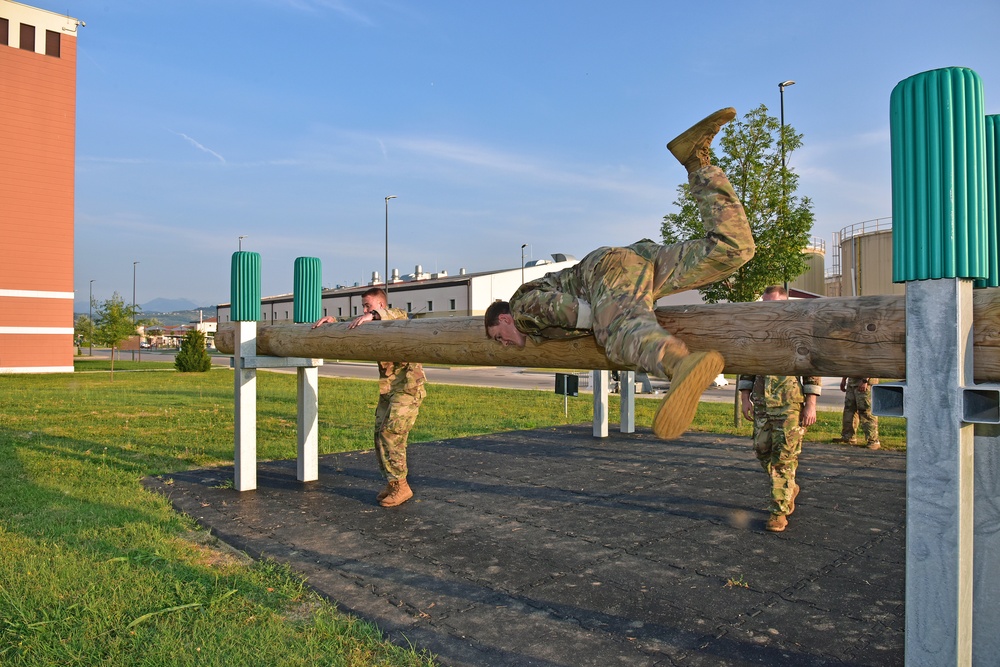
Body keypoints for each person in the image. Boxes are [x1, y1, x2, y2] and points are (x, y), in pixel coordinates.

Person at [484, 107, 756, 440]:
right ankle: (697, 159)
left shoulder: (520, 308)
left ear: (506, 319)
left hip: (603, 271)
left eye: (499, 336)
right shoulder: (532, 327)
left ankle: (680, 365)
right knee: (733, 249)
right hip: (639, 264)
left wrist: (605, 321)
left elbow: (554, 307)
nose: (506, 346)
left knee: (617, 334)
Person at [313, 288, 426, 507]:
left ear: (381, 306)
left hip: (408, 388)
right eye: (363, 306)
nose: (364, 310)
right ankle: (393, 483)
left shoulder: (397, 317)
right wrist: (333, 321)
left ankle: (401, 486)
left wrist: (373, 315)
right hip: (389, 389)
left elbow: (398, 315)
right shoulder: (370, 322)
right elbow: (354, 324)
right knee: (379, 433)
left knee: (391, 433)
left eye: (369, 305)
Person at [738, 285, 822, 533]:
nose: (768, 308)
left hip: (789, 406)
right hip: (762, 405)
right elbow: (747, 367)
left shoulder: (798, 333)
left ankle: (779, 512)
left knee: (783, 461)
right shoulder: (758, 334)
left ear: (786, 303)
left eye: (773, 303)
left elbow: (811, 371)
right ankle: (788, 487)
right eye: (765, 303)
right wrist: (745, 398)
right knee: (761, 449)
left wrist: (811, 404)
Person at [834, 377, 880, 450]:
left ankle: (873, 441)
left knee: (865, 411)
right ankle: (848, 437)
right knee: (849, 409)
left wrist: (865, 380)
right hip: (852, 382)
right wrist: (844, 379)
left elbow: (871, 366)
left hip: (865, 383)